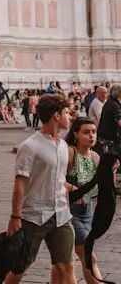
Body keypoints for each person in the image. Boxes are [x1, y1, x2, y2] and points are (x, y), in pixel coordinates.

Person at [4, 93, 75, 284]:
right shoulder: (30, 146)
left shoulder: (64, 145)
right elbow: (20, 183)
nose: (71, 116)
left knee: (66, 266)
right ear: (56, 116)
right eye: (67, 112)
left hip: (60, 215)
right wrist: (15, 217)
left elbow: (60, 179)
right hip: (34, 216)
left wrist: (67, 203)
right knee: (20, 266)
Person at [64, 117, 102, 284]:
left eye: (93, 132)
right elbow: (55, 179)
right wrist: (73, 189)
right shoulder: (71, 153)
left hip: (88, 212)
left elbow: (97, 186)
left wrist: (109, 172)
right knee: (89, 257)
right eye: (86, 132)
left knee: (69, 261)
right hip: (70, 211)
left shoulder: (95, 157)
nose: (91, 136)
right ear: (76, 134)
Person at [96, 84, 121, 155]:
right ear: (119, 93)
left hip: (108, 138)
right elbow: (119, 120)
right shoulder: (114, 105)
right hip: (111, 140)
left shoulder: (111, 102)